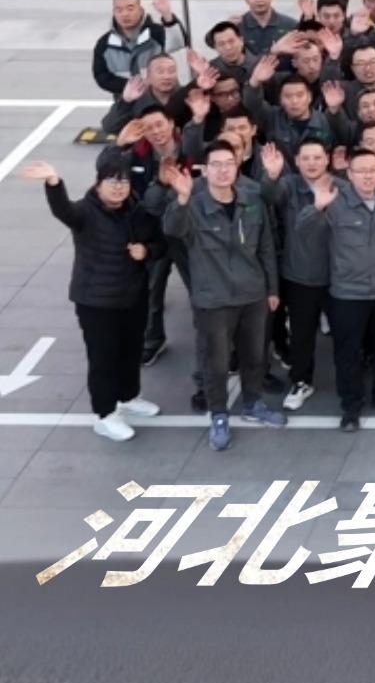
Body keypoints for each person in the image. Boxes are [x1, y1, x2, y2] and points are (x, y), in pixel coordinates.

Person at [23, 155, 164, 442]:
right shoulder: (85, 212)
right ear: (98, 185)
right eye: (112, 181)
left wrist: (146, 251)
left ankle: (128, 397)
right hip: (95, 301)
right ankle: (105, 414)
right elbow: (63, 210)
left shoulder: (137, 210)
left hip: (132, 295)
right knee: (103, 357)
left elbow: (159, 243)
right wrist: (54, 182)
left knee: (131, 350)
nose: (118, 187)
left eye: (123, 181)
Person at [160, 140, 287, 450]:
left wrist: (271, 289)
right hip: (213, 299)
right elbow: (172, 230)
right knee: (215, 362)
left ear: (237, 166)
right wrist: (182, 198)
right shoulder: (193, 204)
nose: (222, 170)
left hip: (252, 294)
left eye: (228, 163)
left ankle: (253, 402)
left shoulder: (252, 200)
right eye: (215, 164)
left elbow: (266, 247)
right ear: (204, 170)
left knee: (254, 356)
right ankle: (218, 413)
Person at [303, 147, 375, 431]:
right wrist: (317, 208)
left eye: (373, 170)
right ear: (349, 174)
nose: (367, 176)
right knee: (348, 353)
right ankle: (351, 406)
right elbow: (303, 232)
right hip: (347, 292)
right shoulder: (334, 200)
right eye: (360, 171)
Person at [258, 139, 341, 411]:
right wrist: (271, 175)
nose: (312, 163)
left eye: (317, 157)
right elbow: (270, 195)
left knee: (347, 334)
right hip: (299, 276)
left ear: (327, 159)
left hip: (339, 277)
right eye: (305, 158)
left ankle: (349, 382)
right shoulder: (288, 185)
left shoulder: (342, 187)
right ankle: (301, 381)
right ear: (296, 161)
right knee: (302, 335)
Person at [91, 0, 185, 96]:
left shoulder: (157, 33)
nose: (125, 14)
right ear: (114, 12)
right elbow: (101, 76)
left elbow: (178, 43)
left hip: (162, 98)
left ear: (140, 10)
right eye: (119, 10)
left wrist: (166, 14)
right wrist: (131, 87)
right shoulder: (105, 44)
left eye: (130, 9)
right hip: (125, 99)